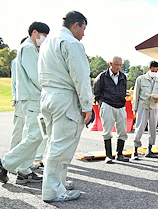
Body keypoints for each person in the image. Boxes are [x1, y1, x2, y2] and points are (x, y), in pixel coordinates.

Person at [37, 11, 93, 202]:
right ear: (76, 25)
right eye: (84, 28)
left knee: (54, 142)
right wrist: (87, 105)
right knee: (61, 146)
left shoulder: (47, 42)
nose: (84, 33)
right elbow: (81, 77)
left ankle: (57, 182)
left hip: (47, 96)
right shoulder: (72, 43)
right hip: (65, 98)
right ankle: (53, 190)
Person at [0, 22, 50, 185]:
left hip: (34, 99)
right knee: (35, 135)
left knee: (37, 135)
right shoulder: (28, 48)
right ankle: (5, 163)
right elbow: (36, 76)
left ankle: (24, 170)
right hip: (31, 99)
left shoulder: (30, 49)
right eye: (44, 35)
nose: (45, 39)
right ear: (35, 33)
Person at [93, 56, 129, 164]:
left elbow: (124, 90)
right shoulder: (102, 76)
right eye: (116, 64)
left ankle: (120, 154)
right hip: (107, 105)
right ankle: (108, 155)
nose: (118, 67)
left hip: (121, 106)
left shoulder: (123, 76)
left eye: (120, 65)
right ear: (111, 64)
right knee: (107, 131)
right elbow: (97, 92)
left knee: (123, 131)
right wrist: (101, 104)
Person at [132, 61, 158, 160]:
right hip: (143, 106)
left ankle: (149, 150)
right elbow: (136, 95)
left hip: (154, 107)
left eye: (156, 71)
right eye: (152, 70)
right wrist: (135, 108)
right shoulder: (140, 79)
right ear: (148, 69)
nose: (154, 72)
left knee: (153, 129)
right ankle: (135, 150)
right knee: (140, 127)